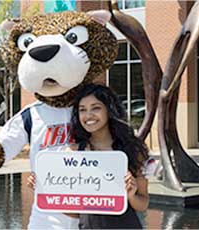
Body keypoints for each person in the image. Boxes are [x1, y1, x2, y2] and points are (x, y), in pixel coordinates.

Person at [28, 83, 155, 229]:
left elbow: (143, 204)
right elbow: (75, 213)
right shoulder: (73, 153)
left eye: (96, 108)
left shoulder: (132, 150)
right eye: (82, 110)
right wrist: (43, 188)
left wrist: (131, 195)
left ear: (109, 110)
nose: (88, 115)